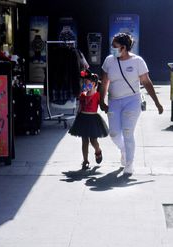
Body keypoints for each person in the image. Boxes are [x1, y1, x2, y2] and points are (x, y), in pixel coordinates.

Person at [100, 33, 163, 176]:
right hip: (114, 101)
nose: (112, 48)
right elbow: (104, 82)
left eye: (114, 46)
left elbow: (146, 82)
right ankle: (124, 149)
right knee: (114, 133)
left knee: (128, 132)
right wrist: (101, 101)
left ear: (123, 47)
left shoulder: (137, 61)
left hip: (132, 101)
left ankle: (129, 164)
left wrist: (157, 103)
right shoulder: (109, 61)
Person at [69, 70, 109, 170]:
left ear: (93, 84)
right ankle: (85, 160)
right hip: (83, 118)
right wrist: (77, 115)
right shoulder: (83, 95)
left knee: (93, 140)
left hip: (93, 119)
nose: (85, 85)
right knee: (84, 140)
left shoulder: (97, 95)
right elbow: (80, 107)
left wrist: (108, 108)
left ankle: (98, 150)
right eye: (84, 83)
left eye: (87, 83)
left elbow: (103, 105)